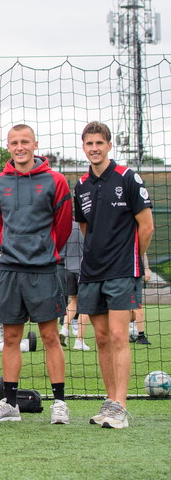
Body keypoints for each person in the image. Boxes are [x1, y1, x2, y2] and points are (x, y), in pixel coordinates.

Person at [0, 124, 72, 424]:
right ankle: (10, 403)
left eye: (24, 142)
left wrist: (44, 251)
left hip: (44, 269)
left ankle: (59, 403)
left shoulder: (55, 181)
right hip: (10, 269)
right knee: (11, 337)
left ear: (35, 144)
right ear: (8, 147)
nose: (19, 147)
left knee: (49, 336)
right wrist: (12, 248)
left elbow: (63, 228)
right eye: (13, 143)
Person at [74, 121, 153, 429]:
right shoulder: (81, 185)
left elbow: (145, 227)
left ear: (109, 146)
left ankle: (120, 405)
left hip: (123, 270)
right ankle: (109, 404)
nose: (94, 148)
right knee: (103, 339)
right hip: (92, 272)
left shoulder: (128, 177)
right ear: (83, 147)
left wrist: (135, 257)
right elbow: (85, 229)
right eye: (89, 143)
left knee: (120, 336)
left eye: (99, 143)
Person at [59, 222, 91, 351]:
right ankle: (79, 340)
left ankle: (65, 329)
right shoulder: (90, 225)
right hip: (84, 270)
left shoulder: (67, 226)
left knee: (74, 301)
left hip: (68, 269)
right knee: (86, 305)